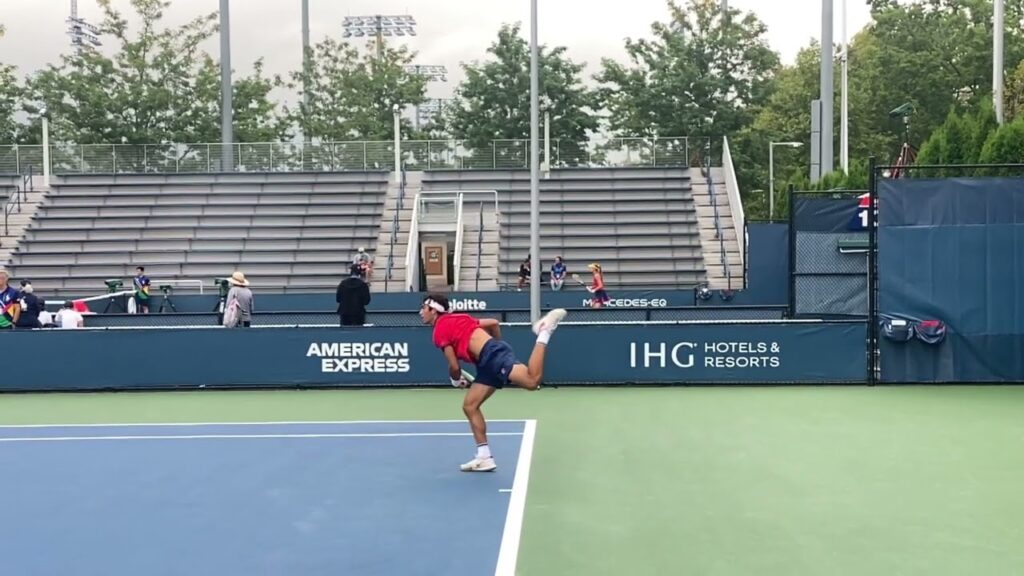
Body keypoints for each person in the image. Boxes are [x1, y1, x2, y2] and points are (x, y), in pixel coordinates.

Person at [421, 293, 567, 472]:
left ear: (433, 310)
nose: (421, 312)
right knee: (470, 406)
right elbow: (493, 323)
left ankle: (545, 331)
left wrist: (455, 379)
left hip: (491, 356)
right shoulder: (458, 317)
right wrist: (496, 345)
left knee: (532, 381)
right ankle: (484, 457)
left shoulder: (439, 330)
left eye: (423, 308)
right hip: (489, 358)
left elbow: (453, 365)